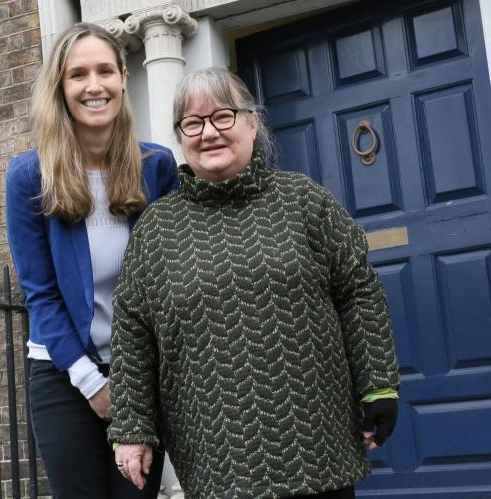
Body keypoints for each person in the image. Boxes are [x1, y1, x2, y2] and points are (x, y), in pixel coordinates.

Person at [108, 68, 400, 498]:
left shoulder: (305, 201)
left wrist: (378, 383)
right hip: (215, 455)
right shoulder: (157, 230)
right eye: (193, 122)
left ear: (251, 122)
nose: (209, 132)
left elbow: (358, 291)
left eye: (222, 116)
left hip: (318, 445)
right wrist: (132, 427)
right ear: (180, 136)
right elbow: (132, 330)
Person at [5, 23, 178, 499]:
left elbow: (169, 284)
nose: (94, 85)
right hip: (63, 375)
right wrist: (92, 384)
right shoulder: (28, 176)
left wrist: (135, 383)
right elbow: (39, 293)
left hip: (139, 374)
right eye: (78, 74)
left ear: (124, 77)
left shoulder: (157, 168)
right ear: (60, 87)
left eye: (105, 70)